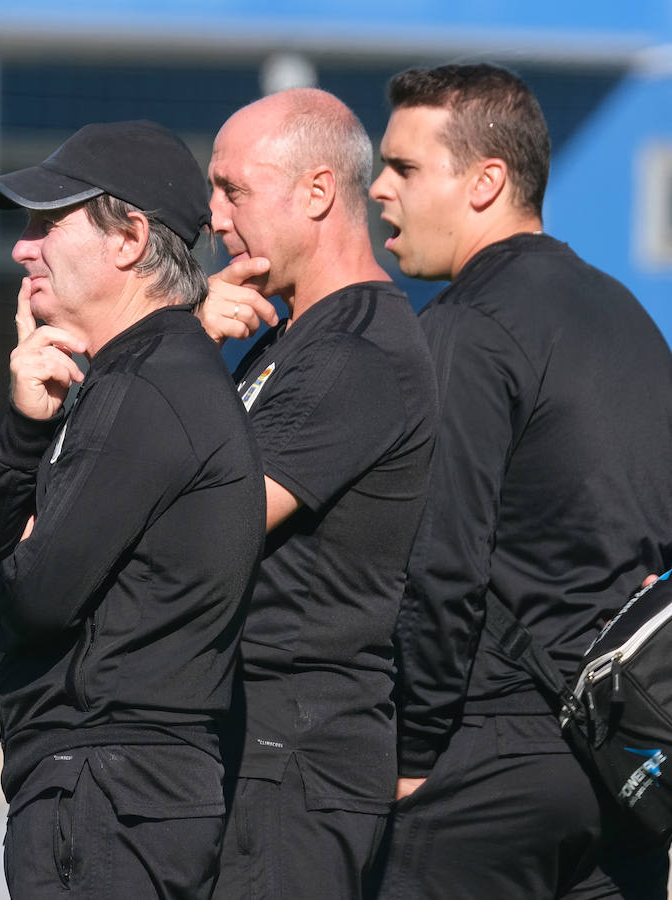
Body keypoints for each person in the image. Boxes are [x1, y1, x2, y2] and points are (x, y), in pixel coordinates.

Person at [369, 63, 672, 899]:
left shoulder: (466, 329)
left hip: (491, 754)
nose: (375, 190)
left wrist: (413, 755)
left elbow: (437, 562)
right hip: (625, 766)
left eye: (402, 168)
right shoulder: (626, 316)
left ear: (485, 182)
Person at [0, 120, 265, 900]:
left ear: (128, 240)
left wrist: (13, 571)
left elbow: (32, 599)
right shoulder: (116, 383)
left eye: (46, 223)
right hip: (100, 792)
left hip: (114, 798)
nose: (22, 250)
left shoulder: (150, 388)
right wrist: (24, 433)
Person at [197, 88, 437, 900]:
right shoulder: (282, 337)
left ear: (317, 191)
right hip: (255, 742)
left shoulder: (355, 352)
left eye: (233, 189)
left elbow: (204, 523)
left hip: (297, 753)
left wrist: (165, 353)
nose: (214, 216)